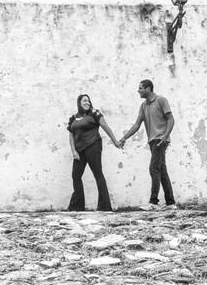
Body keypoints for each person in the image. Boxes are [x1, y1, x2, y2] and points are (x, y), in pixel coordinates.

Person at [119, 79, 177, 210]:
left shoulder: (161, 100)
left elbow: (171, 119)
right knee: (162, 171)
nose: (138, 90)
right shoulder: (143, 106)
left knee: (153, 168)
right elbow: (136, 125)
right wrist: (124, 138)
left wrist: (166, 135)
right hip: (152, 141)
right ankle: (171, 203)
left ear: (148, 89)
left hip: (160, 139)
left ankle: (153, 203)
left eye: (140, 88)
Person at [66, 94, 122, 212]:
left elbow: (104, 126)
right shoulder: (73, 118)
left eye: (88, 101)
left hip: (93, 147)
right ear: (79, 103)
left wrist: (115, 141)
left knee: (98, 174)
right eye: (84, 101)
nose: (87, 103)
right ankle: (77, 206)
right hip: (79, 151)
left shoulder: (94, 113)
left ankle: (104, 206)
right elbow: (71, 135)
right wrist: (73, 151)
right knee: (76, 176)